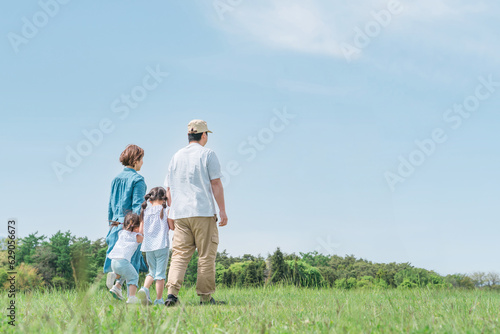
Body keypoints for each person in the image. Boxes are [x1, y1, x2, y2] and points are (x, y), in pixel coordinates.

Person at [164, 119, 228, 306]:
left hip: (180, 214)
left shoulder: (175, 156)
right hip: (203, 212)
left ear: (188, 135)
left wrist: (170, 212)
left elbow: (168, 188)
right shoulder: (208, 154)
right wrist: (222, 210)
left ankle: (172, 295)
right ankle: (205, 297)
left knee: (179, 255)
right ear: (204, 135)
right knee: (206, 255)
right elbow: (216, 184)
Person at [104, 144, 148, 295]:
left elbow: (110, 204)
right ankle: (132, 298)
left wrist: (111, 225)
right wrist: (138, 228)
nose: (142, 162)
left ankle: (117, 287)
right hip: (129, 226)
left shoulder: (115, 179)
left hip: (115, 224)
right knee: (131, 262)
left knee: (121, 259)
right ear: (136, 160)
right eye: (141, 159)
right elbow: (138, 206)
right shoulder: (138, 180)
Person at [136, 187, 174, 306]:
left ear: (150, 200)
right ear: (164, 199)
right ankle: (158, 300)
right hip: (161, 246)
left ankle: (145, 289)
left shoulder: (145, 212)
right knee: (160, 275)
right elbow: (172, 226)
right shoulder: (166, 209)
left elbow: (141, 231)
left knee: (152, 272)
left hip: (148, 246)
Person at [108, 212, 144, 304]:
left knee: (124, 274)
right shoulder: (137, 236)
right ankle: (131, 298)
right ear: (136, 227)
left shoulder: (122, 233)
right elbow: (145, 239)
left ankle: (116, 286)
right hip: (123, 261)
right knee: (134, 277)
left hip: (114, 261)